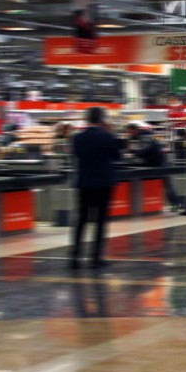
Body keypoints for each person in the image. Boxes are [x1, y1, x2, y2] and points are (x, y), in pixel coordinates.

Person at [70, 106, 121, 269]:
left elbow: (76, 155)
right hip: (103, 182)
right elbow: (117, 156)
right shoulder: (106, 136)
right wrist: (110, 133)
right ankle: (96, 257)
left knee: (81, 219)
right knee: (100, 220)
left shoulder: (77, 138)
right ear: (101, 119)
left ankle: (75, 257)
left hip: (84, 182)